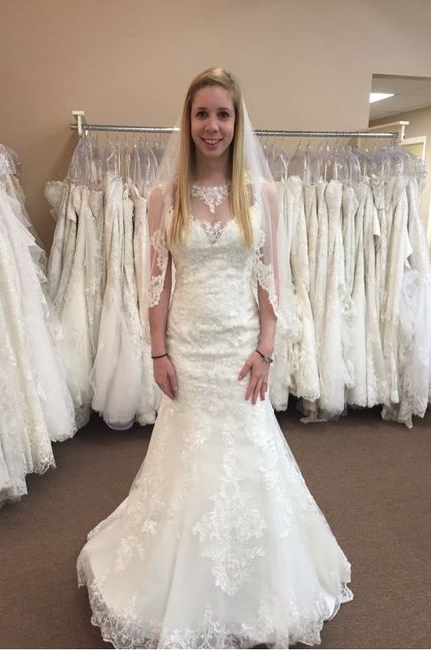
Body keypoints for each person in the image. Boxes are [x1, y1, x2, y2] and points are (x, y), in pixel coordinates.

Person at [77, 67, 353, 649]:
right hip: (187, 350)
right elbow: (157, 285)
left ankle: (256, 586)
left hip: (239, 353)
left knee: (250, 455)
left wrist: (266, 349)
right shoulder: (163, 197)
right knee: (186, 460)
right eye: (202, 113)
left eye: (223, 114)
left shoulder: (261, 195)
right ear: (188, 120)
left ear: (237, 121)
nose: (212, 126)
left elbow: (272, 281)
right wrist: (157, 351)